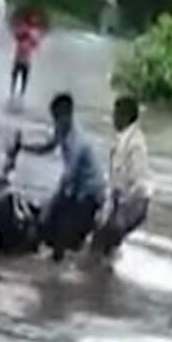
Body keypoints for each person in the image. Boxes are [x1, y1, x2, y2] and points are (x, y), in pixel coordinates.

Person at [15, 93, 107, 262]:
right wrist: (23, 147)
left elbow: (67, 179)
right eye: (54, 118)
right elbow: (47, 147)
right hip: (77, 189)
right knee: (48, 221)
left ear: (69, 115)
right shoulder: (61, 130)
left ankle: (58, 271)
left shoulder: (78, 142)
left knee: (62, 232)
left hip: (90, 193)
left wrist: (51, 205)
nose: (56, 122)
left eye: (59, 118)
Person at [90, 95, 151, 261]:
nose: (113, 119)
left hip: (133, 203)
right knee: (103, 242)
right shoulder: (125, 139)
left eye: (115, 114)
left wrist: (118, 212)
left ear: (124, 116)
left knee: (100, 243)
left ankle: (101, 278)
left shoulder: (134, 143)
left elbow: (137, 181)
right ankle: (108, 273)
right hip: (127, 202)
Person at [10, 10, 43, 99]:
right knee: (15, 74)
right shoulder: (22, 28)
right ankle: (12, 91)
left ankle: (22, 92)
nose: (33, 22)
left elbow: (36, 44)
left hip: (27, 57)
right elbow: (16, 36)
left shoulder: (35, 32)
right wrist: (24, 33)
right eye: (32, 20)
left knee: (24, 75)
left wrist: (31, 38)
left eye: (35, 21)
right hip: (19, 55)